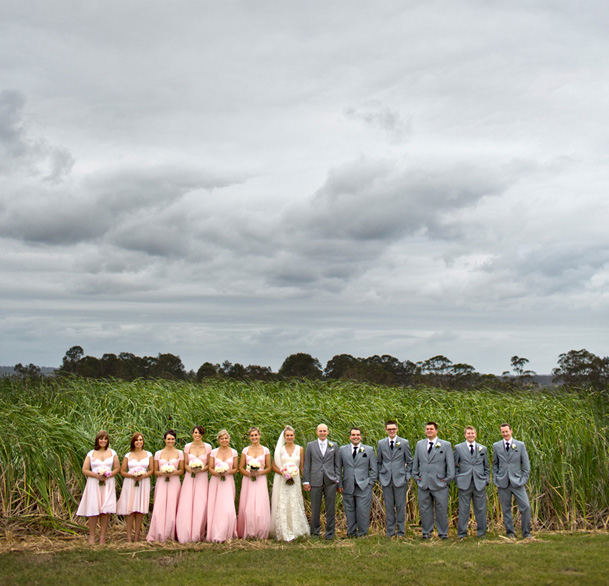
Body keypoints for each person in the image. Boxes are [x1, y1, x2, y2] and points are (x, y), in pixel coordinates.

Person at [412, 422, 455, 539]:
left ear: (436, 431)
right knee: (425, 509)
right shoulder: (420, 444)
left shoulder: (445, 445)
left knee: (441, 509)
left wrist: (447, 480)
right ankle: (426, 532)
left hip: (440, 483)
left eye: (431, 429)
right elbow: (416, 463)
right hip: (424, 483)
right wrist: (416, 477)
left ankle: (443, 533)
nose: (429, 431)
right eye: (427, 429)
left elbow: (450, 465)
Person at [77, 430, 120, 544]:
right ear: (97, 440)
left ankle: (102, 537)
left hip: (107, 483)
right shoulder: (91, 453)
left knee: (105, 510)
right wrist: (97, 475)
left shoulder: (112, 453)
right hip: (94, 483)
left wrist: (108, 474)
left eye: (105, 439)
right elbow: (85, 469)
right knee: (93, 508)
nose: (103, 441)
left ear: (108, 441)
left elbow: (117, 468)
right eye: (101, 438)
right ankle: (91, 536)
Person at [269, 425, 310, 541]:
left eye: (291, 435)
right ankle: (284, 530)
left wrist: (304, 480)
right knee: (284, 502)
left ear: (294, 436)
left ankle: (297, 530)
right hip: (283, 480)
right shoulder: (280, 450)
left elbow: (302, 467)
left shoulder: (300, 449)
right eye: (287, 435)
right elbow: (274, 466)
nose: (289, 437)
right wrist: (284, 473)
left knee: (295, 501)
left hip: (295, 480)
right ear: (284, 437)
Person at [492, 423, 531, 539]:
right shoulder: (496, 446)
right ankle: (510, 533)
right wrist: (496, 478)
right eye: (503, 432)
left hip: (517, 481)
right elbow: (495, 464)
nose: (505, 434)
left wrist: (523, 479)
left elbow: (526, 464)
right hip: (503, 482)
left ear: (511, 431)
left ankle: (526, 533)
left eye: (506, 431)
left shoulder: (520, 445)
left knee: (526, 507)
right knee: (506, 509)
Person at [338, 427, 378, 537]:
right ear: (350, 437)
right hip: (347, 485)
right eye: (353, 435)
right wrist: (340, 484)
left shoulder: (368, 450)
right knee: (349, 510)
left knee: (363, 511)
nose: (356, 437)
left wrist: (371, 482)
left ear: (361, 437)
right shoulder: (342, 450)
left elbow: (374, 468)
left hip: (363, 485)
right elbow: (338, 468)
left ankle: (362, 533)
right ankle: (351, 533)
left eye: (358, 435)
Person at [302, 424, 340, 539]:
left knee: (330, 508)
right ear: (316, 432)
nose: (322, 433)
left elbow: (337, 464)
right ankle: (315, 533)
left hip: (330, 481)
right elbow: (307, 464)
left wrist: (337, 479)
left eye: (324, 431)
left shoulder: (334, 445)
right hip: (315, 480)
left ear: (328, 432)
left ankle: (330, 534)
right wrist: (306, 481)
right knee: (315, 508)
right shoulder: (310, 446)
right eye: (320, 431)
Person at [146, 429, 184, 542]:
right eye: (168, 439)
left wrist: (172, 472)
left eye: (172, 439)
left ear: (175, 440)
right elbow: (155, 471)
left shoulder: (179, 453)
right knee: (160, 506)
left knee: (173, 505)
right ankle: (158, 533)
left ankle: (171, 534)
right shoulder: (158, 453)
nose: (170, 441)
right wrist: (163, 473)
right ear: (164, 439)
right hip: (161, 482)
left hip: (174, 482)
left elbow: (181, 470)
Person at [176, 425, 212, 543]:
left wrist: (201, 469)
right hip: (189, 477)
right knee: (186, 503)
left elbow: (209, 465)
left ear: (202, 435)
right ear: (192, 434)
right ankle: (184, 533)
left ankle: (197, 534)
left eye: (200, 433)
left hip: (201, 477)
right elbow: (185, 463)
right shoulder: (187, 447)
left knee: (200, 504)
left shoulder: (208, 447)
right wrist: (190, 469)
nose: (197, 435)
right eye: (195, 433)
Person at [377, 420, 412, 537]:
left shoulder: (404, 443)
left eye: (393, 429)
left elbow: (409, 461)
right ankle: (390, 531)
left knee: (400, 506)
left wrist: (406, 476)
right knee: (389, 506)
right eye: (389, 429)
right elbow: (378, 462)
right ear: (386, 430)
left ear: (397, 429)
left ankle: (401, 531)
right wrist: (380, 476)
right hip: (386, 479)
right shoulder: (381, 443)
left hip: (400, 479)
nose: (391, 431)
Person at [117, 432, 153, 542]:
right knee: (130, 509)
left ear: (143, 442)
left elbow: (151, 470)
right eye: (137, 440)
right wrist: (132, 475)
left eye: (141, 440)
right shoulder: (128, 455)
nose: (139, 442)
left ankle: (137, 537)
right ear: (133, 442)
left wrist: (143, 475)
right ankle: (128, 537)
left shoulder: (149, 455)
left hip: (143, 483)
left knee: (140, 510)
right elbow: (122, 471)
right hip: (130, 483)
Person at [454, 426, 489, 538]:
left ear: (475, 434)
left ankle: (481, 533)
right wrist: (457, 479)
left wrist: (486, 480)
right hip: (464, 483)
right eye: (468, 433)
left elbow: (486, 467)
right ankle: (462, 533)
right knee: (464, 509)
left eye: (472, 433)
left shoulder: (482, 449)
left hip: (479, 483)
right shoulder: (458, 448)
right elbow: (454, 466)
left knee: (480, 509)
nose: (470, 435)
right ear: (465, 435)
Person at [237, 426, 272, 539]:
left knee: (260, 504)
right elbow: (241, 467)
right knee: (248, 505)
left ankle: (261, 531)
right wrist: (249, 474)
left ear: (259, 435)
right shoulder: (245, 450)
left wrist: (259, 473)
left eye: (256, 435)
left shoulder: (265, 450)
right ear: (249, 437)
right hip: (248, 480)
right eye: (252, 435)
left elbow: (268, 468)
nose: (254, 437)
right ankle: (249, 531)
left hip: (260, 479)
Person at [206, 429, 239, 542]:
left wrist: (227, 472)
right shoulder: (214, 452)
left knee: (228, 507)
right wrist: (218, 473)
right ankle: (215, 532)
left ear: (229, 439)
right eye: (222, 438)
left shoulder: (234, 452)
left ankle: (227, 532)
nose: (224, 440)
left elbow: (235, 468)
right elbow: (210, 467)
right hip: (216, 481)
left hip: (228, 481)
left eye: (226, 438)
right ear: (218, 440)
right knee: (216, 506)